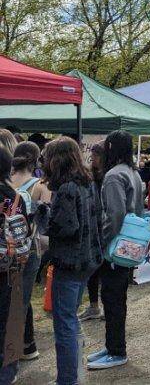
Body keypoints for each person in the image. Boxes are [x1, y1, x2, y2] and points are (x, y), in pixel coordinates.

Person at [35, 137, 105, 385]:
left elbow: (66, 228)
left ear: (56, 159)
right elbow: (96, 221)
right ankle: (74, 373)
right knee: (70, 318)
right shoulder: (87, 182)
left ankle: (68, 379)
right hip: (88, 260)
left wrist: (43, 216)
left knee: (64, 323)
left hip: (71, 262)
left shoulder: (66, 188)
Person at [88, 130, 145, 371]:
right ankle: (113, 345)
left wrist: (104, 243)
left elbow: (114, 215)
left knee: (112, 299)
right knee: (116, 298)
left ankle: (116, 351)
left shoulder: (113, 176)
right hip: (129, 244)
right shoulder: (133, 172)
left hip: (115, 247)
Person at [10, 141, 50, 362]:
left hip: (6, 249)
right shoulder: (40, 185)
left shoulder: (5, 181)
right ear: (36, 160)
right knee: (22, 302)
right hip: (30, 248)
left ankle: (22, 349)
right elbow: (48, 222)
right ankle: (18, 353)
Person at [0, 146, 28, 385]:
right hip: (9, 269)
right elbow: (23, 238)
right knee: (10, 321)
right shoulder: (16, 197)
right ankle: (7, 373)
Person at [78, 143, 106, 322]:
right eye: (92, 154)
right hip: (93, 226)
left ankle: (101, 305)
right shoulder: (89, 175)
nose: (93, 158)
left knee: (103, 269)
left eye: (96, 155)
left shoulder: (108, 175)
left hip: (103, 226)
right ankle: (94, 305)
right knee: (93, 269)